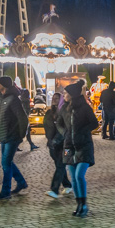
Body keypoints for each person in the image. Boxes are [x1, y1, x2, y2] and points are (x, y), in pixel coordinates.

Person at [59, 80, 99, 217]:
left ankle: (84, 204)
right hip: (68, 146)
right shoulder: (64, 109)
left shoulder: (85, 108)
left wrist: (82, 131)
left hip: (84, 145)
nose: (63, 95)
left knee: (79, 175)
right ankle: (78, 204)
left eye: (66, 93)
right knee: (73, 178)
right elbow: (58, 123)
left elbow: (94, 123)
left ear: (72, 94)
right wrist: (64, 133)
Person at [0, 76, 29, 201]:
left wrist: (21, 134)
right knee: (7, 162)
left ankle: (6, 191)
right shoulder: (3, 98)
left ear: (4, 85)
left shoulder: (13, 99)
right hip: (4, 136)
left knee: (6, 163)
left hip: (12, 136)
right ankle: (21, 182)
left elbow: (23, 118)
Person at [43, 92, 73, 199]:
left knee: (60, 165)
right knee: (59, 165)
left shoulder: (64, 112)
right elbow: (46, 126)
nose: (54, 99)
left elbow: (65, 128)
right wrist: (49, 139)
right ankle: (68, 185)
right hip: (52, 144)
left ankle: (54, 189)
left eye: (57, 98)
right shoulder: (49, 113)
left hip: (63, 143)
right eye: (53, 98)